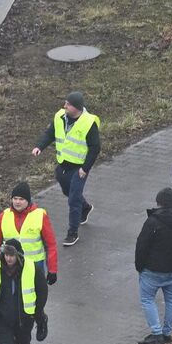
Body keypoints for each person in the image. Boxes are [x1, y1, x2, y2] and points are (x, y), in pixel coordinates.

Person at [0, 183, 57, 341]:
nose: (17, 202)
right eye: (15, 198)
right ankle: (15, 340)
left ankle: (41, 319)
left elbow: (51, 244)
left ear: (28, 201)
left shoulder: (40, 215)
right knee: (14, 303)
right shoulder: (4, 216)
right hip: (11, 266)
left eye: (21, 199)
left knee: (34, 302)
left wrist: (52, 269)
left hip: (34, 267)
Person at [33, 91, 101, 245]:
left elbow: (95, 147)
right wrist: (39, 146)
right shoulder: (60, 116)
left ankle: (72, 233)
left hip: (79, 168)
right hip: (63, 164)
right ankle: (86, 208)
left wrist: (85, 168)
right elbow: (50, 134)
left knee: (74, 199)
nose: (64, 106)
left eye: (68, 104)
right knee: (68, 192)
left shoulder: (88, 123)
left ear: (76, 108)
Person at [133, 186, 172, 344]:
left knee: (147, 299)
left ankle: (156, 333)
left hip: (152, 271)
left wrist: (140, 266)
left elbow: (142, 246)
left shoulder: (153, 222)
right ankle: (167, 332)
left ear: (158, 203)